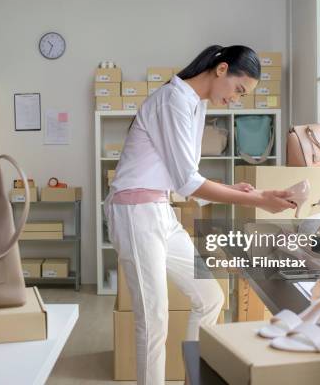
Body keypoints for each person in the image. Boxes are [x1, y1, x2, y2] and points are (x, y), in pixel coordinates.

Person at [104, 45, 295, 384]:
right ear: (221, 70)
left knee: (210, 298)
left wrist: (235, 190)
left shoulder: (196, 104)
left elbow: (183, 178)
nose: (236, 99)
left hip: (161, 209)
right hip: (135, 212)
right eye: (239, 90)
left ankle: (194, 376)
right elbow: (188, 182)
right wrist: (258, 200)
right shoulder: (172, 100)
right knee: (153, 318)